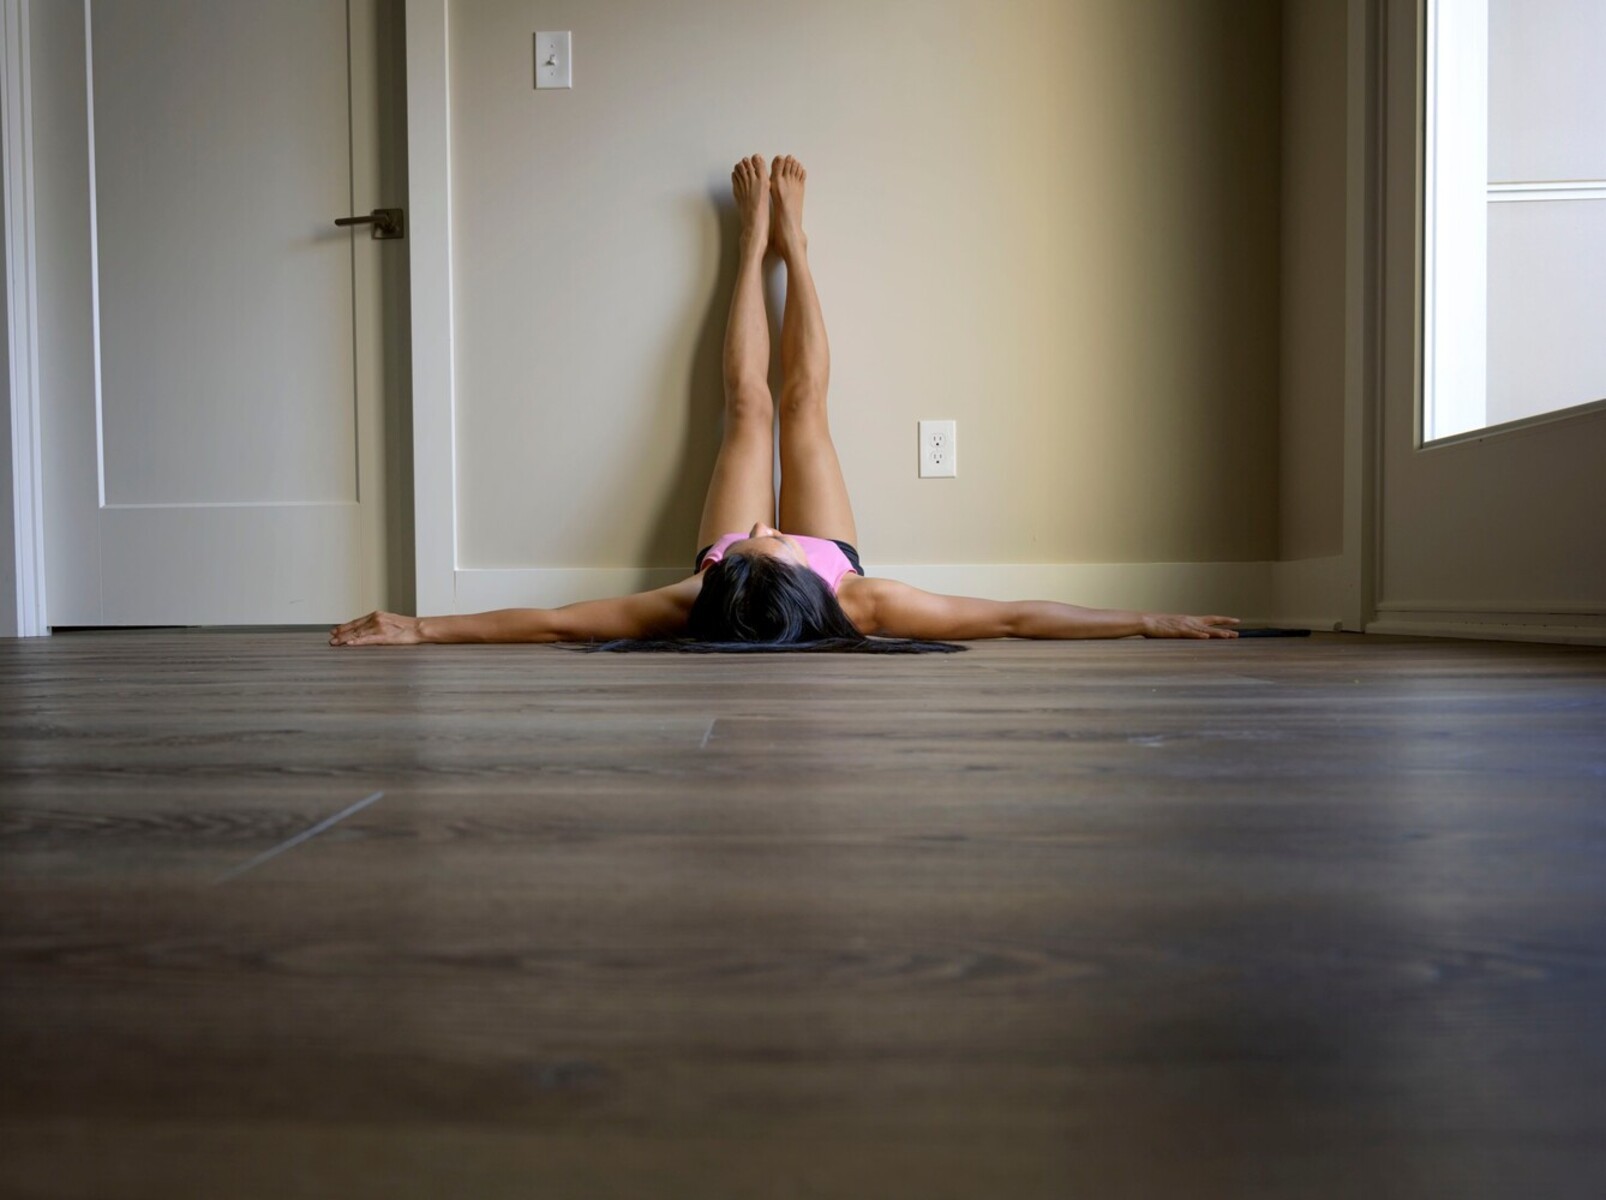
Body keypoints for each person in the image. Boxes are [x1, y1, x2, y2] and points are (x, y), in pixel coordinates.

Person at [330, 155, 1239, 651]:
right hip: (825, 565)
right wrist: (1146, 617)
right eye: (771, 539)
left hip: (751, 582)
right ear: (808, 575)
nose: (764, 524)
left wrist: (422, 628)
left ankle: (750, 247)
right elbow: (1010, 617)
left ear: (723, 571)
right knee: (802, 406)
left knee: (745, 406)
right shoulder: (866, 599)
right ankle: (796, 247)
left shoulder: (696, 595)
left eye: (748, 541)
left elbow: (558, 622)